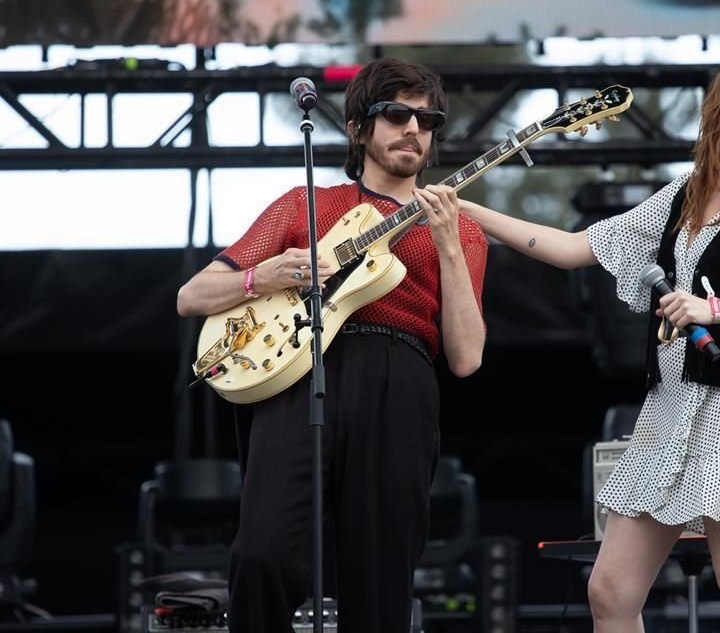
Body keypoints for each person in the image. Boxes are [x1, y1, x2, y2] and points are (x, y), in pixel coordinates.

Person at [459, 39, 720, 632]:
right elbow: (573, 248)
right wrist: (464, 211)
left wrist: (719, 311)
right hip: (670, 406)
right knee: (610, 590)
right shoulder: (679, 197)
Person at [176, 57, 488, 633]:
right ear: (358, 129)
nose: (413, 129)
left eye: (428, 119)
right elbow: (192, 296)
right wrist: (264, 277)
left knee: (380, 573)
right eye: (396, 114)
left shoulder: (461, 229)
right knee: (262, 553)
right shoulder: (306, 205)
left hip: (399, 378)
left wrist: (447, 245)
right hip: (300, 370)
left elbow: (467, 357)